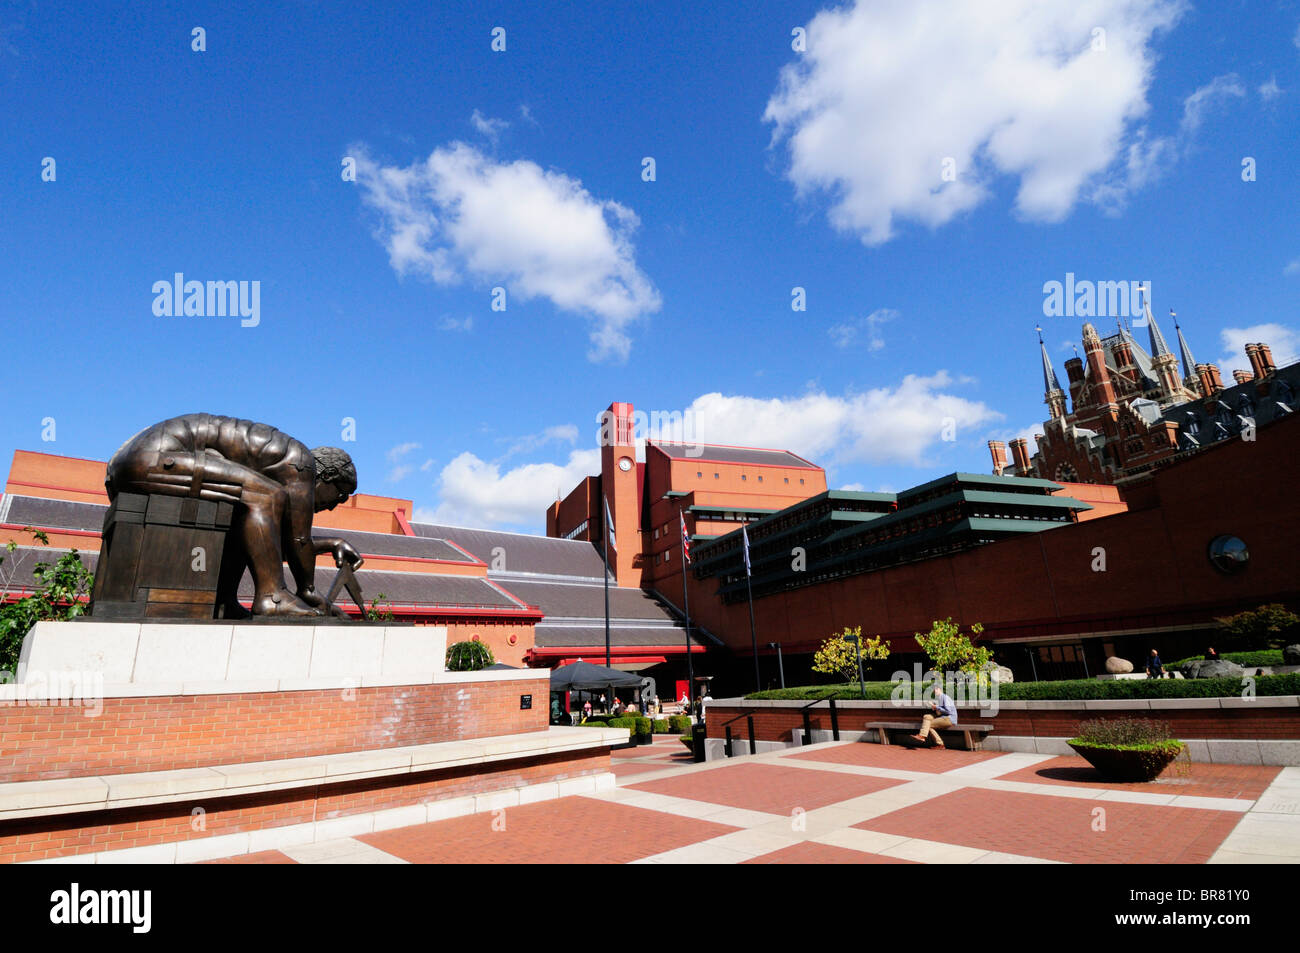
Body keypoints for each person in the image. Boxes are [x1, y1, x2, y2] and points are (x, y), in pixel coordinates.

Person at [104, 413, 360, 617]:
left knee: (248, 509)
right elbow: (298, 540)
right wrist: (308, 590)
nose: (331, 507)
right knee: (264, 496)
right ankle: (273, 598)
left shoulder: (283, 461)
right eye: (338, 497)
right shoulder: (302, 464)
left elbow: (267, 544)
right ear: (327, 477)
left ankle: (223, 601)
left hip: (131, 462)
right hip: (155, 456)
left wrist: (330, 544)